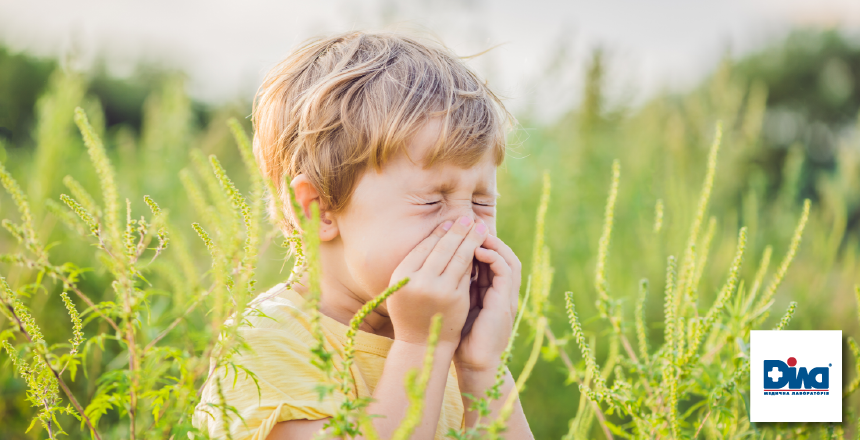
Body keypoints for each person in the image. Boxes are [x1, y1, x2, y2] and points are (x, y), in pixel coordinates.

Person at [192, 30, 534, 440]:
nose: (470, 229)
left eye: (482, 202)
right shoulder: (266, 345)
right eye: (432, 201)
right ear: (317, 208)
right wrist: (422, 350)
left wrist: (484, 368)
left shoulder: (447, 344)